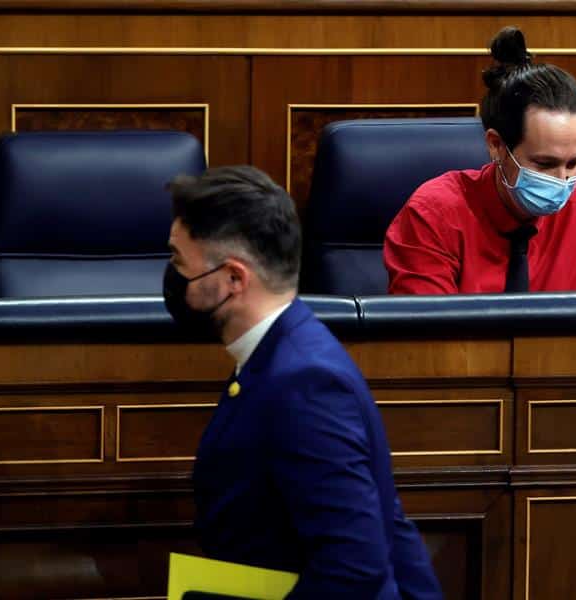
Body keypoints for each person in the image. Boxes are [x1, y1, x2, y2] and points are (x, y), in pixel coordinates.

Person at [162, 165, 442, 599]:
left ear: (234, 279)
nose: (174, 277)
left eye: (181, 262)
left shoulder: (304, 383)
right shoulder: (280, 351)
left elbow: (354, 571)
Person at [384, 27, 576, 294]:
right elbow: (428, 336)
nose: (562, 180)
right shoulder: (434, 214)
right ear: (496, 146)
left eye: (574, 162)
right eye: (543, 164)